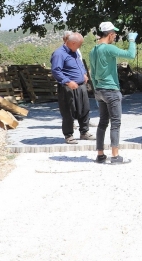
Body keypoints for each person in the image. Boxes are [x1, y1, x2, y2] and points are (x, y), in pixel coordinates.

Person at [88, 21, 137, 165]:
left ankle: (100, 155)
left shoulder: (93, 50)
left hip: (100, 91)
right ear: (109, 35)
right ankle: (115, 156)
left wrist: (96, 90)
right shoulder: (109, 49)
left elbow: (92, 73)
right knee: (115, 123)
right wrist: (132, 40)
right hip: (111, 90)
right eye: (114, 34)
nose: (115, 36)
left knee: (102, 122)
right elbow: (130, 54)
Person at [50, 32, 93, 144]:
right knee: (69, 111)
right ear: (73, 43)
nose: (80, 47)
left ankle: (84, 132)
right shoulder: (59, 54)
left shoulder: (74, 52)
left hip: (80, 86)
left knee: (84, 109)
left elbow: (80, 65)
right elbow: (56, 71)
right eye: (79, 45)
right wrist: (67, 82)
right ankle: (68, 135)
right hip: (68, 87)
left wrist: (84, 74)